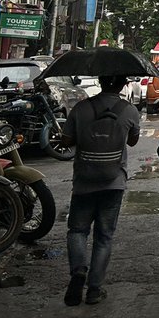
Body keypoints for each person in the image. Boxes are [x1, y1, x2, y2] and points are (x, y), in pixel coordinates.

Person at [60, 73, 141, 305]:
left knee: (77, 231)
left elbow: (66, 141)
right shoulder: (129, 111)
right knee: (104, 237)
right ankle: (94, 289)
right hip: (114, 181)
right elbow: (133, 141)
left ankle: (78, 271)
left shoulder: (81, 108)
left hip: (84, 181)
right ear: (123, 84)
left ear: (101, 82)